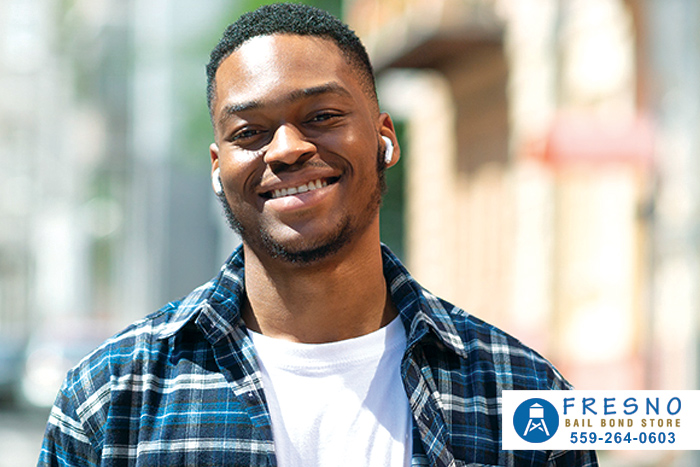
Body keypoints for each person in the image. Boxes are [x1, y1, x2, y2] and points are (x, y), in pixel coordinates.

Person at [38, 3, 598, 466]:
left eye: (323, 116)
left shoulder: (525, 397)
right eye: (250, 131)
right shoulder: (110, 402)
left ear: (385, 139)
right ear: (217, 167)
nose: (285, 149)